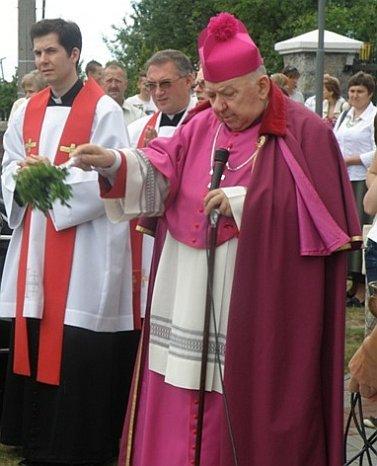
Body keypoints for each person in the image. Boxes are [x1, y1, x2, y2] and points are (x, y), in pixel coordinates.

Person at [72, 12, 361, 466]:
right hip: (185, 288)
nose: (219, 106)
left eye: (229, 94)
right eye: (212, 93)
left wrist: (245, 202)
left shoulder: (308, 133)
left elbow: (320, 223)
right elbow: (160, 167)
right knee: (179, 385)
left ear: (263, 86)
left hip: (255, 299)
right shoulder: (200, 125)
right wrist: (112, 161)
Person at [0, 18, 140, 465]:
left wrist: (48, 183)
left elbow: (110, 179)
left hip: (83, 251)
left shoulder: (104, 111)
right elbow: (10, 163)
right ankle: (35, 442)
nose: (42, 60)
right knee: (35, 337)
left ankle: (74, 449)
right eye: (38, 53)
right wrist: (21, 181)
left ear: (74, 55)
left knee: (75, 350)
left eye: (51, 52)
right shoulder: (26, 108)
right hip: (34, 247)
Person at [334, 71, 377, 307]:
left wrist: (353, 159)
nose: (354, 95)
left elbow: (376, 150)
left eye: (360, 91)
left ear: (369, 93)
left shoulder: (374, 117)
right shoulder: (345, 115)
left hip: (362, 179)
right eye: (351, 90)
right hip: (343, 178)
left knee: (360, 228)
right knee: (346, 229)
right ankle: (352, 283)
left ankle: (362, 287)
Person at [102, 62, 145, 129]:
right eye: (109, 81)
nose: (113, 85)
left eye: (118, 81)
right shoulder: (93, 115)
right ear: (102, 84)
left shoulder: (139, 116)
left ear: (126, 84)